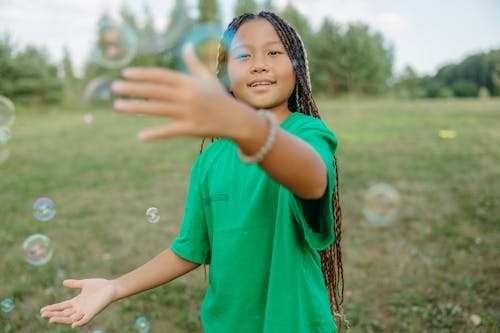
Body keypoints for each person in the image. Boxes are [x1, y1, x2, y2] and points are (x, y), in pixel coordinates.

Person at [40, 11, 345, 333]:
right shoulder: (210, 160)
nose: (259, 64)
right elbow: (189, 249)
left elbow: (311, 179)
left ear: (296, 67)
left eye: (274, 52)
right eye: (243, 55)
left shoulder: (307, 134)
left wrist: (251, 129)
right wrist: (114, 287)